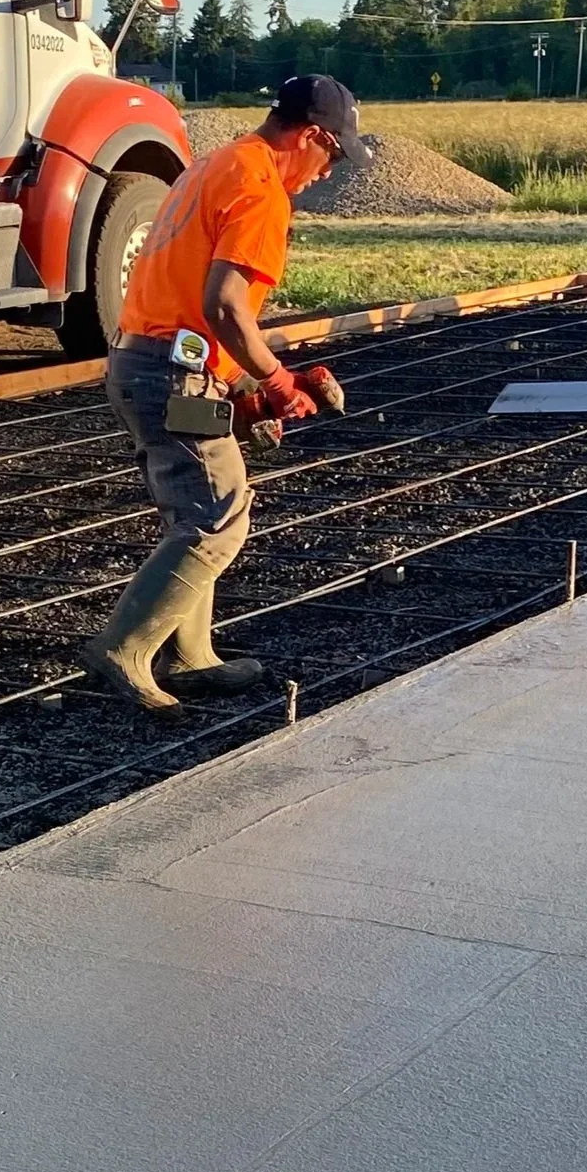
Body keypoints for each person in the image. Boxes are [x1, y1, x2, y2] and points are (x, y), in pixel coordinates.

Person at [79, 73, 364, 714]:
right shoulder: (262, 190)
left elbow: (192, 306)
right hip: (171, 375)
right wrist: (278, 382)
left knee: (196, 505)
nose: (328, 172)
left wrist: (239, 389)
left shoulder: (216, 164)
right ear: (313, 135)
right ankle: (123, 649)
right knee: (218, 515)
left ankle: (189, 654)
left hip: (143, 364)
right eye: (333, 154)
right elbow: (227, 307)